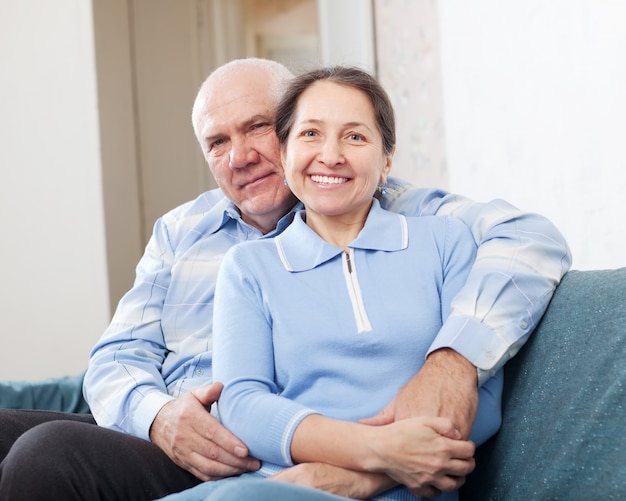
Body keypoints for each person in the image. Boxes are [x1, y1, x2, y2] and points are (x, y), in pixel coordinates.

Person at [0, 58, 571, 501]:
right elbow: (117, 355)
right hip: (166, 428)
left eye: (257, 128)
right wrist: (156, 416)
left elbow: (531, 240)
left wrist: (454, 358)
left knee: (47, 456)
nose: (240, 156)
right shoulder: (184, 230)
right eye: (218, 142)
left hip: (256, 448)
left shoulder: (411, 219)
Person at [161, 65, 503, 501]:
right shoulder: (248, 266)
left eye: (355, 137)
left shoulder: (445, 242)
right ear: (284, 154)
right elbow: (242, 404)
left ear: (387, 160)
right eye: (310, 134)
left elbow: (481, 394)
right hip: (279, 484)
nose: (331, 155)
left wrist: (362, 479)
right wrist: (376, 449)